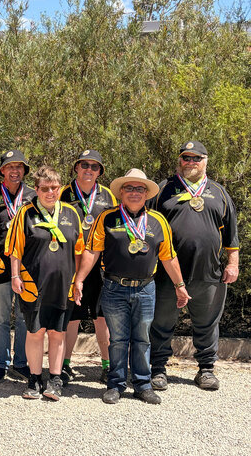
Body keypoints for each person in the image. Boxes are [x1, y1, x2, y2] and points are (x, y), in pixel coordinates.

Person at [73, 168, 190, 405]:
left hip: (146, 289)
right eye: (129, 188)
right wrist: (79, 279)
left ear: (146, 194)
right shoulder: (106, 218)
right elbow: (92, 251)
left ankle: (142, 385)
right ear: (121, 192)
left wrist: (180, 285)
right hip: (114, 288)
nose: (134, 192)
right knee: (117, 339)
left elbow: (168, 257)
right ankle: (115, 384)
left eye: (139, 188)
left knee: (142, 339)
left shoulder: (158, 221)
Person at [148, 141, 239, 391]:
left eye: (196, 158)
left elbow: (231, 234)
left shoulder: (219, 192)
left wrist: (233, 263)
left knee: (207, 324)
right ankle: (158, 369)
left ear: (205, 161)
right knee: (161, 322)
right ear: (180, 160)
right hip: (167, 274)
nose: (190, 162)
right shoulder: (163, 190)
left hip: (208, 273)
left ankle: (206, 370)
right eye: (186, 158)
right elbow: (147, 227)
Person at [5, 166, 84, 401]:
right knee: (35, 332)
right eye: (45, 188)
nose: (50, 192)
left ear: (60, 188)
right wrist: (15, 276)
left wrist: (78, 280)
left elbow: (79, 250)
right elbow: (15, 249)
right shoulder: (25, 213)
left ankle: (56, 379)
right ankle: (35, 378)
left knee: (58, 332)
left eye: (54, 188)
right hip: (33, 284)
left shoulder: (71, 213)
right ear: (37, 189)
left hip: (63, 284)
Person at [59, 150, 116, 384]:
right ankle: (63, 365)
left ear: (100, 171)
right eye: (84, 165)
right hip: (71, 266)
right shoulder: (62, 193)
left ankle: (107, 366)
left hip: (100, 267)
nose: (89, 170)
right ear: (76, 167)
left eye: (94, 166)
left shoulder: (109, 196)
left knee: (102, 318)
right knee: (71, 318)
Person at [0, 150, 36, 383]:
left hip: (27, 266)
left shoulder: (34, 195)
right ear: (2, 170)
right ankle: (1, 363)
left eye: (19, 166)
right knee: (1, 318)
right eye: (10, 167)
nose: (15, 171)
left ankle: (21, 363)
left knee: (24, 318)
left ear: (24, 170)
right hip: (0, 265)